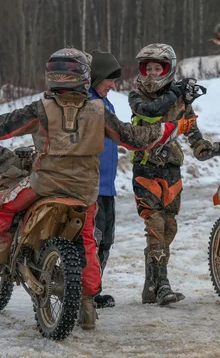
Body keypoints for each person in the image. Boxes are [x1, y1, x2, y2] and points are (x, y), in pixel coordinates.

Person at [0, 48, 197, 330]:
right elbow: (136, 138)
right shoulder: (98, 110)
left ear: (53, 76)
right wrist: (176, 126)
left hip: (44, 185)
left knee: (2, 210)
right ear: (85, 76)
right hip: (85, 192)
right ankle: (88, 308)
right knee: (88, 244)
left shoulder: (42, 109)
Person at [128, 43, 213, 306]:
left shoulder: (180, 97)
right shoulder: (137, 95)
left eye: (158, 68)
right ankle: (163, 285)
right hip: (145, 165)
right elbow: (150, 114)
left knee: (168, 226)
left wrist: (200, 146)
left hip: (171, 167)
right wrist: (178, 91)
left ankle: (150, 286)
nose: (152, 73)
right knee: (154, 225)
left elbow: (191, 124)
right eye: (148, 68)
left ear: (168, 69)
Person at [87, 49, 121, 309]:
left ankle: (94, 289)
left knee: (105, 239)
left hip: (107, 187)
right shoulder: (87, 103)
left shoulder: (106, 103)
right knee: (92, 239)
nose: (113, 84)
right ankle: (85, 291)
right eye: (109, 78)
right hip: (91, 187)